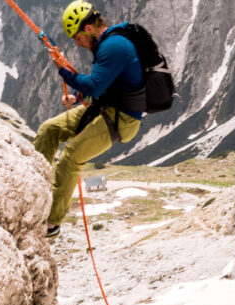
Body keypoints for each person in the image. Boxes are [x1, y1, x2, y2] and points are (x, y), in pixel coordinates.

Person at [34, 0, 145, 238]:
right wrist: (77, 97)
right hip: (105, 107)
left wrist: (62, 70)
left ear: (87, 29)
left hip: (122, 119)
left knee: (70, 157)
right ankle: (34, 188)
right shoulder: (107, 45)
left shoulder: (113, 46)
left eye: (77, 38)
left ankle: (52, 223)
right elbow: (107, 83)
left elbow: (95, 86)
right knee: (49, 130)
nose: (78, 44)